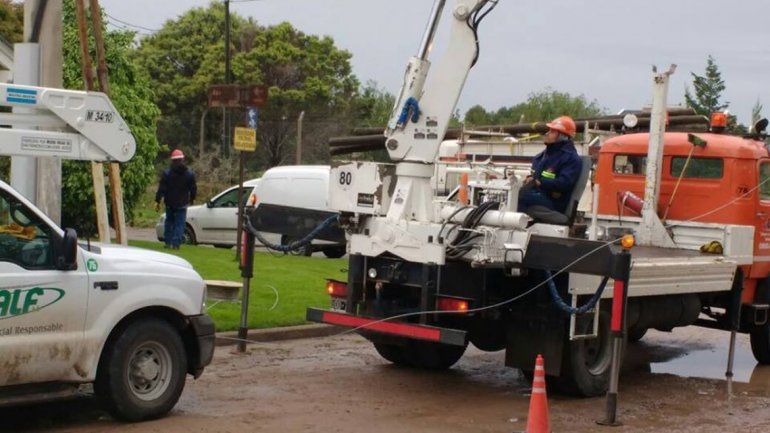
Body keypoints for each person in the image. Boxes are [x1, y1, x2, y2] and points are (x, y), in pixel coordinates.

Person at [518, 115, 582, 214]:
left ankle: (516, 226)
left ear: (562, 136)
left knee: (519, 196)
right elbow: (536, 176)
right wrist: (530, 179)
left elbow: (564, 183)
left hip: (554, 203)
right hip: (538, 195)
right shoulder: (543, 155)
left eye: (552, 131)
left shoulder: (571, 158)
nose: (547, 134)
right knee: (511, 193)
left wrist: (540, 182)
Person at [155, 149, 197, 249]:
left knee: (169, 222)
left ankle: (167, 242)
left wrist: (157, 200)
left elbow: (161, 188)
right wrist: (192, 198)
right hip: (182, 203)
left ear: (172, 160)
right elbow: (193, 189)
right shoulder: (189, 174)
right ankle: (176, 244)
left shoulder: (167, 173)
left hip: (169, 202)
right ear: (182, 159)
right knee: (180, 224)